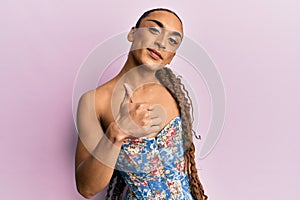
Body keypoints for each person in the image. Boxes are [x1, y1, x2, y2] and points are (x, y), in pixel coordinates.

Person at [75, 8, 208, 200]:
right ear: (132, 33)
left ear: (172, 56)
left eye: (172, 41)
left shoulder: (174, 93)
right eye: (154, 30)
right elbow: (86, 188)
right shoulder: (95, 101)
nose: (161, 42)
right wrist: (117, 132)